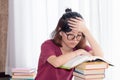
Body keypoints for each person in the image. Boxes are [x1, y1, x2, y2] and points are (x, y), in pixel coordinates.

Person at [35, 8, 103, 80]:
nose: (75, 40)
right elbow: (56, 62)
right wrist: (78, 52)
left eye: (79, 35)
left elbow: (99, 56)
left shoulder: (80, 47)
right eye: (70, 35)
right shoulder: (48, 45)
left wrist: (86, 31)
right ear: (60, 32)